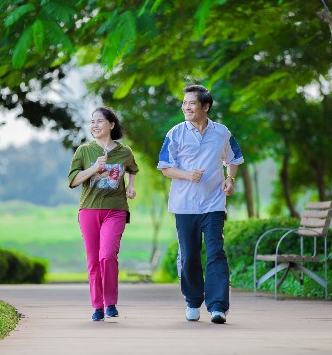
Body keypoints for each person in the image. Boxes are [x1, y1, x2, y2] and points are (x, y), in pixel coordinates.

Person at [157, 84, 244, 324]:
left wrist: (230, 179)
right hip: (184, 205)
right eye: (184, 103)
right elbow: (165, 167)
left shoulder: (221, 132)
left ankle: (217, 307)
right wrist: (187, 175)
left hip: (214, 203)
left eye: (191, 103)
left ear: (205, 106)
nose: (186, 107)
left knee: (216, 251)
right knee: (189, 256)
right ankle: (193, 301)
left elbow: (234, 158)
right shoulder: (175, 133)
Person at [68, 106, 139, 322]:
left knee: (107, 255)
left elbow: (133, 169)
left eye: (99, 121)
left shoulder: (124, 151)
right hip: (89, 210)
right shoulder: (84, 151)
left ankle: (110, 302)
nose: (95, 125)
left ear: (111, 124)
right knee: (93, 261)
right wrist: (93, 169)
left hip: (116, 209)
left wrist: (130, 186)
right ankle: (97, 306)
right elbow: (72, 181)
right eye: (92, 122)